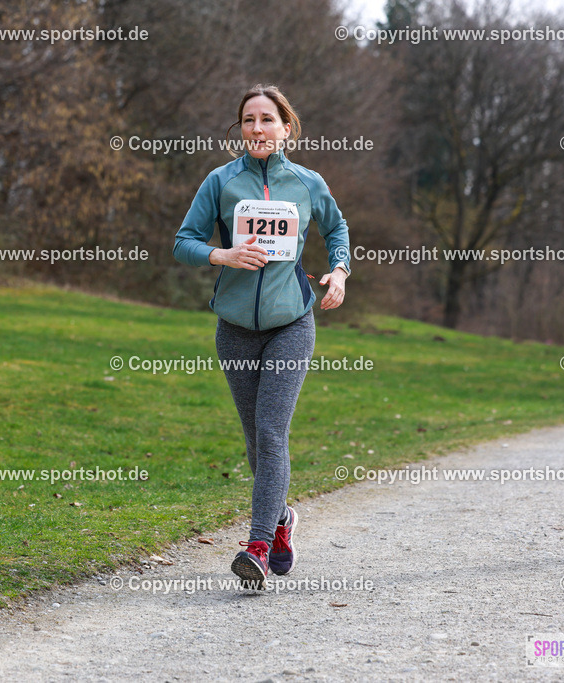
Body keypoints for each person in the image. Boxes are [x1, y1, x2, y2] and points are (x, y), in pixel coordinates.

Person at [173, 84, 351, 589]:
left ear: (286, 128)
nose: (257, 129)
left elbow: (337, 231)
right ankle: (281, 522)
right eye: (248, 120)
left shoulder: (307, 183)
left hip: (291, 323)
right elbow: (183, 243)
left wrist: (338, 272)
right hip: (234, 330)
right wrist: (221, 255)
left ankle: (255, 544)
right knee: (255, 443)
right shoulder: (221, 181)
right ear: (240, 128)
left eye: (267, 120)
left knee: (272, 433)